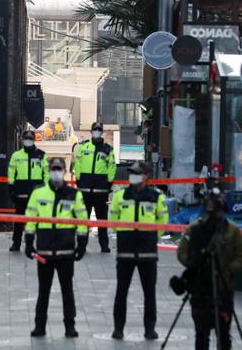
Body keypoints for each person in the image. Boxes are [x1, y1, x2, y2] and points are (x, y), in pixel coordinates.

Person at [24, 157, 89, 338]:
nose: (56, 172)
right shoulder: (38, 193)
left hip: (66, 252)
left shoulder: (74, 194)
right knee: (43, 291)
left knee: (67, 291)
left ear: (65, 171)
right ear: (49, 170)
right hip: (44, 251)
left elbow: (82, 220)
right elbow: (30, 218)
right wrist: (28, 242)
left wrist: (82, 244)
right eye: (53, 168)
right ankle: (39, 326)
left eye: (59, 169)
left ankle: (70, 326)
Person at [177, 187, 242, 350]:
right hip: (200, 287)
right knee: (201, 334)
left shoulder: (232, 230)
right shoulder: (195, 229)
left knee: (224, 334)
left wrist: (227, 270)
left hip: (223, 288)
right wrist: (194, 264)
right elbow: (182, 252)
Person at [110, 161, 167, 340]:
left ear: (146, 176)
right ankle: (118, 329)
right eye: (132, 172)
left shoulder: (156, 196)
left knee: (149, 293)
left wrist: (149, 236)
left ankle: (149, 329)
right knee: (121, 291)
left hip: (147, 252)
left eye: (137, 173)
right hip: (125, 250)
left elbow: (162, 222)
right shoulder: (120, 196)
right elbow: (113, 220)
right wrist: (125, 235)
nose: (133, 175)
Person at [74, 122, 116, 252]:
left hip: (101, 190)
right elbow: (78, 164)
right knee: (83, 220)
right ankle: (81, 246)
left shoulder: (108, 149)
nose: (97, 131)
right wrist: (79, 180)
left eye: (99, 129)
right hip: (85, 189)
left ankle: (104, 245)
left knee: (102, 220)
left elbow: (112, 167)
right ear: (91, 131)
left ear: (101, 132)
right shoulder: (83, 146)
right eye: (95, 129)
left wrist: (109, 183)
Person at [7, 130, 49, 251]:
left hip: (36, 193)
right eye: (26, 138)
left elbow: (46, 173)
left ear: (34, 139)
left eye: (30, 138)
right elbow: (11, 172)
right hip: (20, 192)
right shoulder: (16, 155)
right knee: (19, 220)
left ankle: (33, 244)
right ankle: (16, 243)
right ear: (22, 140)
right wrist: (11, 188)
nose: (28, 141)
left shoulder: (41, 155)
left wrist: (45, 189)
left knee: (36, 220)